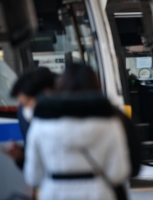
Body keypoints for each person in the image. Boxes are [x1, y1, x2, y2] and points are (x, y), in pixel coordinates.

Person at [24, 64, 131, 200]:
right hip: (98, 193)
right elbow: (118, 173)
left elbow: (33, 176)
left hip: (54, 193)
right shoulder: (110, 123)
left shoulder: (40, 124)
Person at [5, 67, 55, 169]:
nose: (25, 108)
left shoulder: (70, 119)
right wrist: (21, 157)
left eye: (27, 102)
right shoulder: (23, 115)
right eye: (22, 104)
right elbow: (33, 162)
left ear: (47, 93)